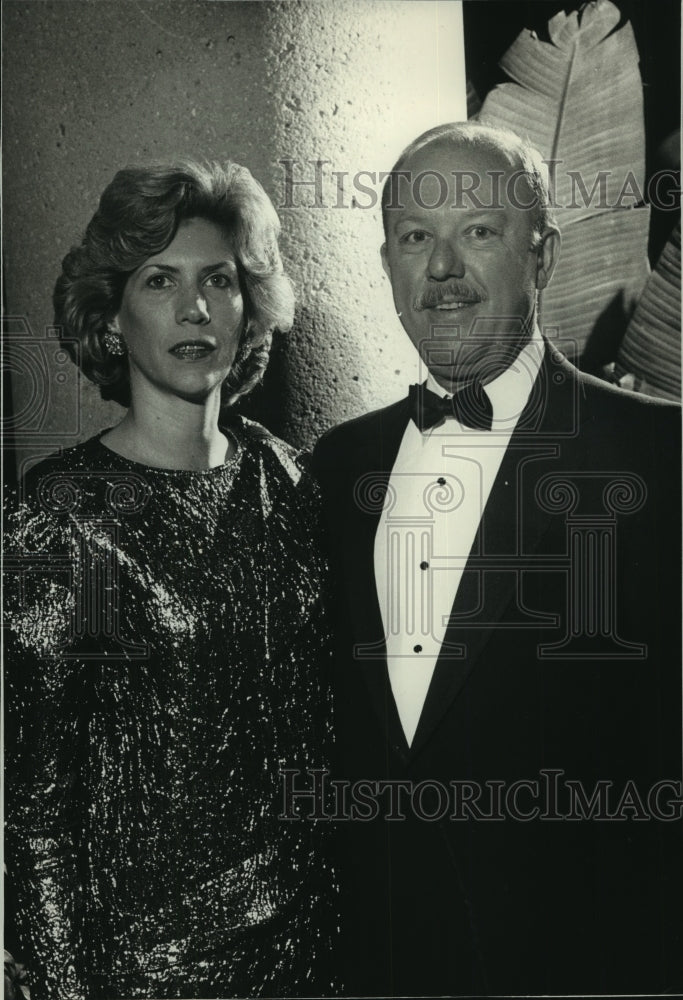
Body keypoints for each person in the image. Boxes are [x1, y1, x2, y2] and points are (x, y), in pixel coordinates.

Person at [312, 122, 682, 996]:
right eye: (414, 238)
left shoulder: (661, 458)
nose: (441, 270)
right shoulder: (336, 467)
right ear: (387, 265)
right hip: (380, 964)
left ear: (543, 256)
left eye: (478, 232)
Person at [4, 161, 337, 999]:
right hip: (150, 975)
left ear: (247, 305)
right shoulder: (60, 518)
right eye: (160, 281)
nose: (194, 308)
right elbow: (34, 818)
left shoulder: (294, 483)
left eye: (217, 280)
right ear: (112, 319)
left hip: (324, 955)